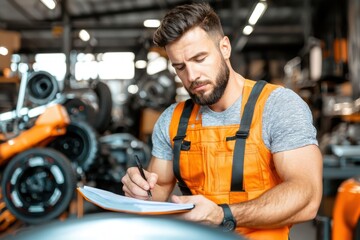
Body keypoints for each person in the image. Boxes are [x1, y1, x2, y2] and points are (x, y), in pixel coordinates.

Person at [121, 3, 323, 240]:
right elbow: (159, 192)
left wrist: (223, 215)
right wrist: (139, 191)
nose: (192, 76)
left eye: (200, 58)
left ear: (224, 47)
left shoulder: (277, 106)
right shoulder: (172, 120)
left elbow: (307, 197)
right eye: (180, 67)